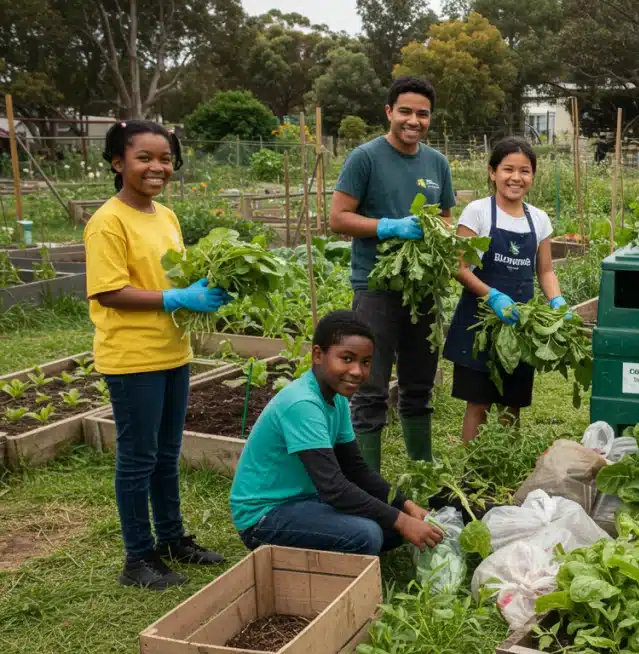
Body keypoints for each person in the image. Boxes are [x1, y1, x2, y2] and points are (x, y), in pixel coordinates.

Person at [86, 120, 230, 589]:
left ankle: (171, 539)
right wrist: (174, 299)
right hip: (132, 358)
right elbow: (109, 292)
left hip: (172, 350)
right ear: (117, 162)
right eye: (144, 157)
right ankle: (137, 558)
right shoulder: (107, 221)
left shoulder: (164, 216)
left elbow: (176, 276)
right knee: (138, 458)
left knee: (167, 454)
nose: (157, 167)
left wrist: (201, 289)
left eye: (165, 158)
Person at [230, 311, 444, 556]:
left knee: (391, 527)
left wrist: (407, 506)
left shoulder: (336, 397)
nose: (357, 371)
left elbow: (356, 469)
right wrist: (402, 521)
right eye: (347, 358)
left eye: (365, 362)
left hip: (305, 500)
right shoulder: (302, 404)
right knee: (368, 535)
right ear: (318, 354)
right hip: (264, 516)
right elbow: (333, 487)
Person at [331, 76, 456, 469]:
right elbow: (337, 218)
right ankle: (369, 485)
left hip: (423, 290)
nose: (414, 120)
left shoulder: (437, 163)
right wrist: (388, 226)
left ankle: (423, 474)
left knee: (419, 387)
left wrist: (441, 234)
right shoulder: (365, 158)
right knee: (369, 388)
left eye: (422, 114)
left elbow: (447, 218)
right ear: (389, 112)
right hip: (376, 288)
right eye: (405, 111)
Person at [444, 137, 568, 443]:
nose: (516, 177)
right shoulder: (477, 212)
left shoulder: (538, 219)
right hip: (480, 322)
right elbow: (458, 267)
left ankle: (507, 468)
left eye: (524, 171)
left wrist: (558, 302)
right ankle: (473, 470)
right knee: (479, 402)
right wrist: (493, 296)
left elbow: (546, 271)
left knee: (513, 404)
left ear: (533, 176)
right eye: (508, 169)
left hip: (519, 324)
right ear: (492, 172)